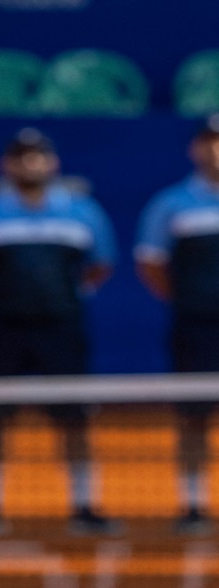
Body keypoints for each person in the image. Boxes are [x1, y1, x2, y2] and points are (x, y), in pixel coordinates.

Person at [0, 128, 118, 537]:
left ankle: (84, 506)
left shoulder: (83, 212)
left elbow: (100, 265)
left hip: (62, 328)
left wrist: (62, 296)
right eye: (21, 157)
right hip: (2, 328)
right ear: (6, 166)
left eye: (37, 156)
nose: (30, 164)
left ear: (52, 163)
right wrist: (2, 295)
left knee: (74, 418)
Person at [133, 115, 219, 535]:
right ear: (195, 149)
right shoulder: (171, 204)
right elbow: (151, 264)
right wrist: (191, 300)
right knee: (193, 416)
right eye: (210, 141)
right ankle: (193, 503)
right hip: (196, 327)